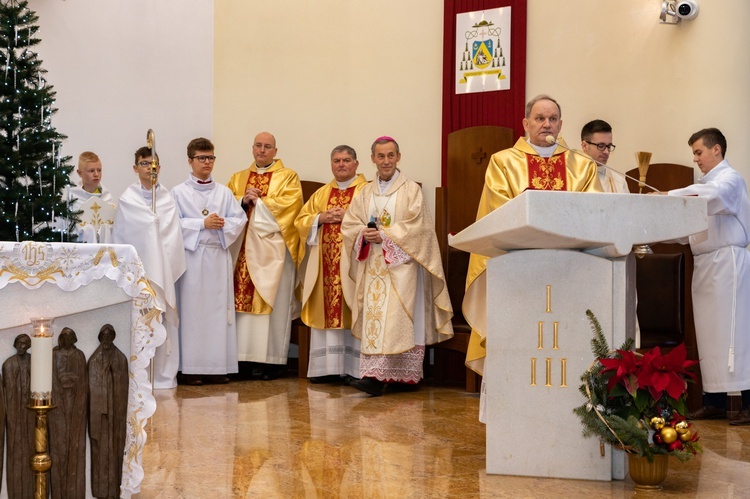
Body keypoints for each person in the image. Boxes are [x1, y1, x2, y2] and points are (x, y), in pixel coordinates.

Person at [463, 94, 602, 377]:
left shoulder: (582, 165)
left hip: (570, 271)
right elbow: (498, 214)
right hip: (517, 272)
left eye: (552, 119)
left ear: (561, 124)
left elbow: (593, 213)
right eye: (540, 119)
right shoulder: (503, 162)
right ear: (526, 123)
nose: (546, 125)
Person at [341, 136, 454, 396]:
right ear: (372, 159)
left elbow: (420, 228)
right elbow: (350, 224)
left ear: (398, 157)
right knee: (375, 320)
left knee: (396, 320)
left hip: (402, 268)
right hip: (373, 266)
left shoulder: (411, 189)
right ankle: (373, 376)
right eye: (380, 156)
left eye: (390, 155)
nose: (386, 161)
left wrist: (386, 236)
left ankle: (402, 376)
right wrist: (362, 234)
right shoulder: (365, 192)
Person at [665, 128, 750, 425]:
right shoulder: (703, 186)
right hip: (705, 265)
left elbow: (708, 197)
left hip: (728, 263)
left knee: (734, 333)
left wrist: (668, 196)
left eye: (699, 152)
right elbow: (687, 229)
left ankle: (748, 403)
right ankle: (713, 401)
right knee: (710, 335)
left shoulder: (729, 180)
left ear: (717, 150)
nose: (695, 158)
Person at [228, 132, 303, 380]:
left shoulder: (288, 177)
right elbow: (227, 206)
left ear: (275, 151)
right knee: (241, 307)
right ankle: (240, 360)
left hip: (273, 253)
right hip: (242, 251)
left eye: (267, 147)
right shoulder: (237, 178)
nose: (262, 150)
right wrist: (242, 200)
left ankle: (271, 362)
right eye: (258, 146)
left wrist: (257, 203)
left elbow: (289, 208)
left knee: (274, 302)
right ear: (252, 149)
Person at [172, 138, 247, 385]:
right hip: (193, 260)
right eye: (202, 158)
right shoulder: (178, 193)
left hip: (217, 258)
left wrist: (223, 225)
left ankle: (216, 368)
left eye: (211, 158)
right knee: (194, 313)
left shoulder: (224, 192)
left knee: (217, 314)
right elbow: (171, 226)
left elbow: (239, 219)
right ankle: (191, 368)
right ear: (190, 161)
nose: (207, 163)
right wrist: (201, 224)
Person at [113, 146, 186, 389]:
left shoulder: (166, 198)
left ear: (160, 168)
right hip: (141, 271)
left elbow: (173, 234)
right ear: (135, 168)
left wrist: (156, 226)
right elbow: (124, 235)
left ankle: (164, 376)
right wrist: (148, 224)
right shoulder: (127, 199)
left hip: (162, 269)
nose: (150, 168)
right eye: (144, 164)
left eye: (154, 164)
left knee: (162, 318)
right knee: (141, 321)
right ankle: (141, 375)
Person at [294, 145, 368, 383]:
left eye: (346, 160)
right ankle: (326, 369)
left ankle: (354, 370)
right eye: (336, 160)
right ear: (331, 164)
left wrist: (351, 217)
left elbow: (376, 219)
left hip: (353, 267)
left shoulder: (367, 192)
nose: (341, 165)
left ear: (356, 164)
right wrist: (320, 218)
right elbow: (300, 221)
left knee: (353, 311)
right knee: (326, 311)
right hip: (324, 267)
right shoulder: (321, 194)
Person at [88, 324, 129, 499]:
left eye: (109, 336)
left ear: (113, 337)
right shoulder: (95, 359)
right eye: (103, 336)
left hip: (115, 412)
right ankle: (99, 490)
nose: (106, 339)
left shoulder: (120, 357)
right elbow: (92, 383)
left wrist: (113, 375)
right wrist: (104, 377)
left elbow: (123, 382)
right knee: (100, 450)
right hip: (101, 414)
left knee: (115, 449)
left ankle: (114, 489)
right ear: (100, 338)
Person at [50, 327, 88, 499]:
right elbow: (50, 377)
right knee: (58, 444)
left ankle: (75, 491)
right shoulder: (54, 354)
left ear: (74, 339)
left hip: (74, 401)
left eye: (70, 337)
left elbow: (83, 381)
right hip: (58, 401)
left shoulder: (79, 356)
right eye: (64, 337)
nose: (67, 340)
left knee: (75, 445)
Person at [3, 334, 34, 499]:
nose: (22, 347)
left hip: (30, 415)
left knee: (31, 450)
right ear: (15, 345)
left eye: (26, 344)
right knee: (15, 453)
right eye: (20, 344)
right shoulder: (8, 364)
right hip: (15, 415)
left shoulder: (34, 362)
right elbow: (9, 393)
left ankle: (30, 492)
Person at [68, 151, 115, 243]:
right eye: (91, 171)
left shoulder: (107, 197)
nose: (96, 174)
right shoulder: (72, 198)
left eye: (99, 170)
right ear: (79, 173)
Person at [581, 119, 628, 193]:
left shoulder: (619, 182)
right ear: (584, 146)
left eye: (609, 146)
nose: (606, 152)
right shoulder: (571, 177)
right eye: (600, 146)